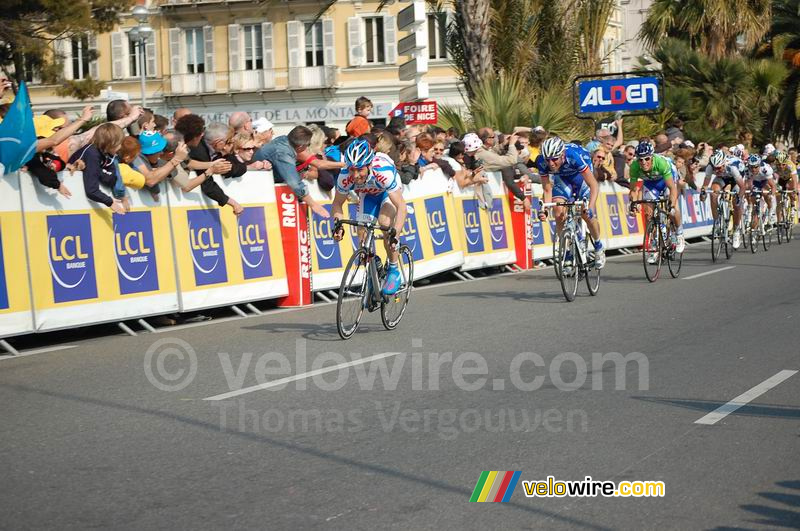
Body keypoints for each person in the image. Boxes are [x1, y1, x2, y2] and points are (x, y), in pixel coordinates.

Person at [330, 139, 407, 295]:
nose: (355, 175)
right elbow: (337, 203)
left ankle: (393, 269)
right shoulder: (345, 176)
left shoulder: (382, 172)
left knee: (384, 222)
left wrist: (396, 235)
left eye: (360, 170)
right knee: (362, 235)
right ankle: (373, 270)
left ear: (369, 165)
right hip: (368, 194)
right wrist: (338, 225)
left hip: (387, 193)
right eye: (352, 170)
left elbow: (401, 207)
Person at [535, 136, 606, 269]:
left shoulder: (573, 156)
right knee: (558, 212)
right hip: (562, 179)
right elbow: (547, 188)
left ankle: (598, 246)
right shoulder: (541, 161)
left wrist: (590, 207)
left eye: (554, 159)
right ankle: (567, 253)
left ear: (562, 155)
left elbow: (593, 185)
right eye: (548, 160)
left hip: (581, 177)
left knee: (587, 215)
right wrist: (544, 209)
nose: (550, 163)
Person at [252, 125, 330, 218]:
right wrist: (314, 204)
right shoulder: (283, 152)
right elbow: (294, 182)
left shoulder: (283, 140)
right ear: (301, 146)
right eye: (307, 145)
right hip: (259, 193)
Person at [627, 141, 685, 258]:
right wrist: (633, 204)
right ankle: (655, 243)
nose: (644, 162)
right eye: (640, 159)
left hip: (667, 181)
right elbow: (633, 190)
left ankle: (679, 233)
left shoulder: (661, 163)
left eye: (647, 159)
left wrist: (672, 205)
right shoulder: (634, 167)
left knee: (673, 210)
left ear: (652, 157)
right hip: (650, 183)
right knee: (649, 215)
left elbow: (672, 188)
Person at [69, 123, 127, 214]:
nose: (120, 147)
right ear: (110, 143)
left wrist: (98, 171)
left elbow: (111, 179)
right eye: (119, 144)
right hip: (72, 201)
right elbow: (91, 191)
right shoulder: (92, 154)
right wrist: (110, 202)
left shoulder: (108, 154)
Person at [700, 150, 745, 248]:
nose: (716, 171)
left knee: (737, 205)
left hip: (735, 179)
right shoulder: (710, 167)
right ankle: (716, 223)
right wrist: (703, 194)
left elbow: (742, 187)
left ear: (724, 163)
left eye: (719, 168)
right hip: (722, 178)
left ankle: (736, 231)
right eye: (715, 168)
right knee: (713, 194)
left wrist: (739, 198)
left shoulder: (732, 167)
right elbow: (705, 185)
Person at [744, 153, 777, 228]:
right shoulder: (746, 170)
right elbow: (747, 184)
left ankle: (770, 211)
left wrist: (771, 195)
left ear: (759, 165)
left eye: (756, 167)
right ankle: (754, 211)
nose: (753, 169)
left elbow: (773, 185)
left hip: (765, 181)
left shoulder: (765, 169)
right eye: (751, 167)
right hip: (756, 183)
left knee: (765, 194)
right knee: (752, 196)